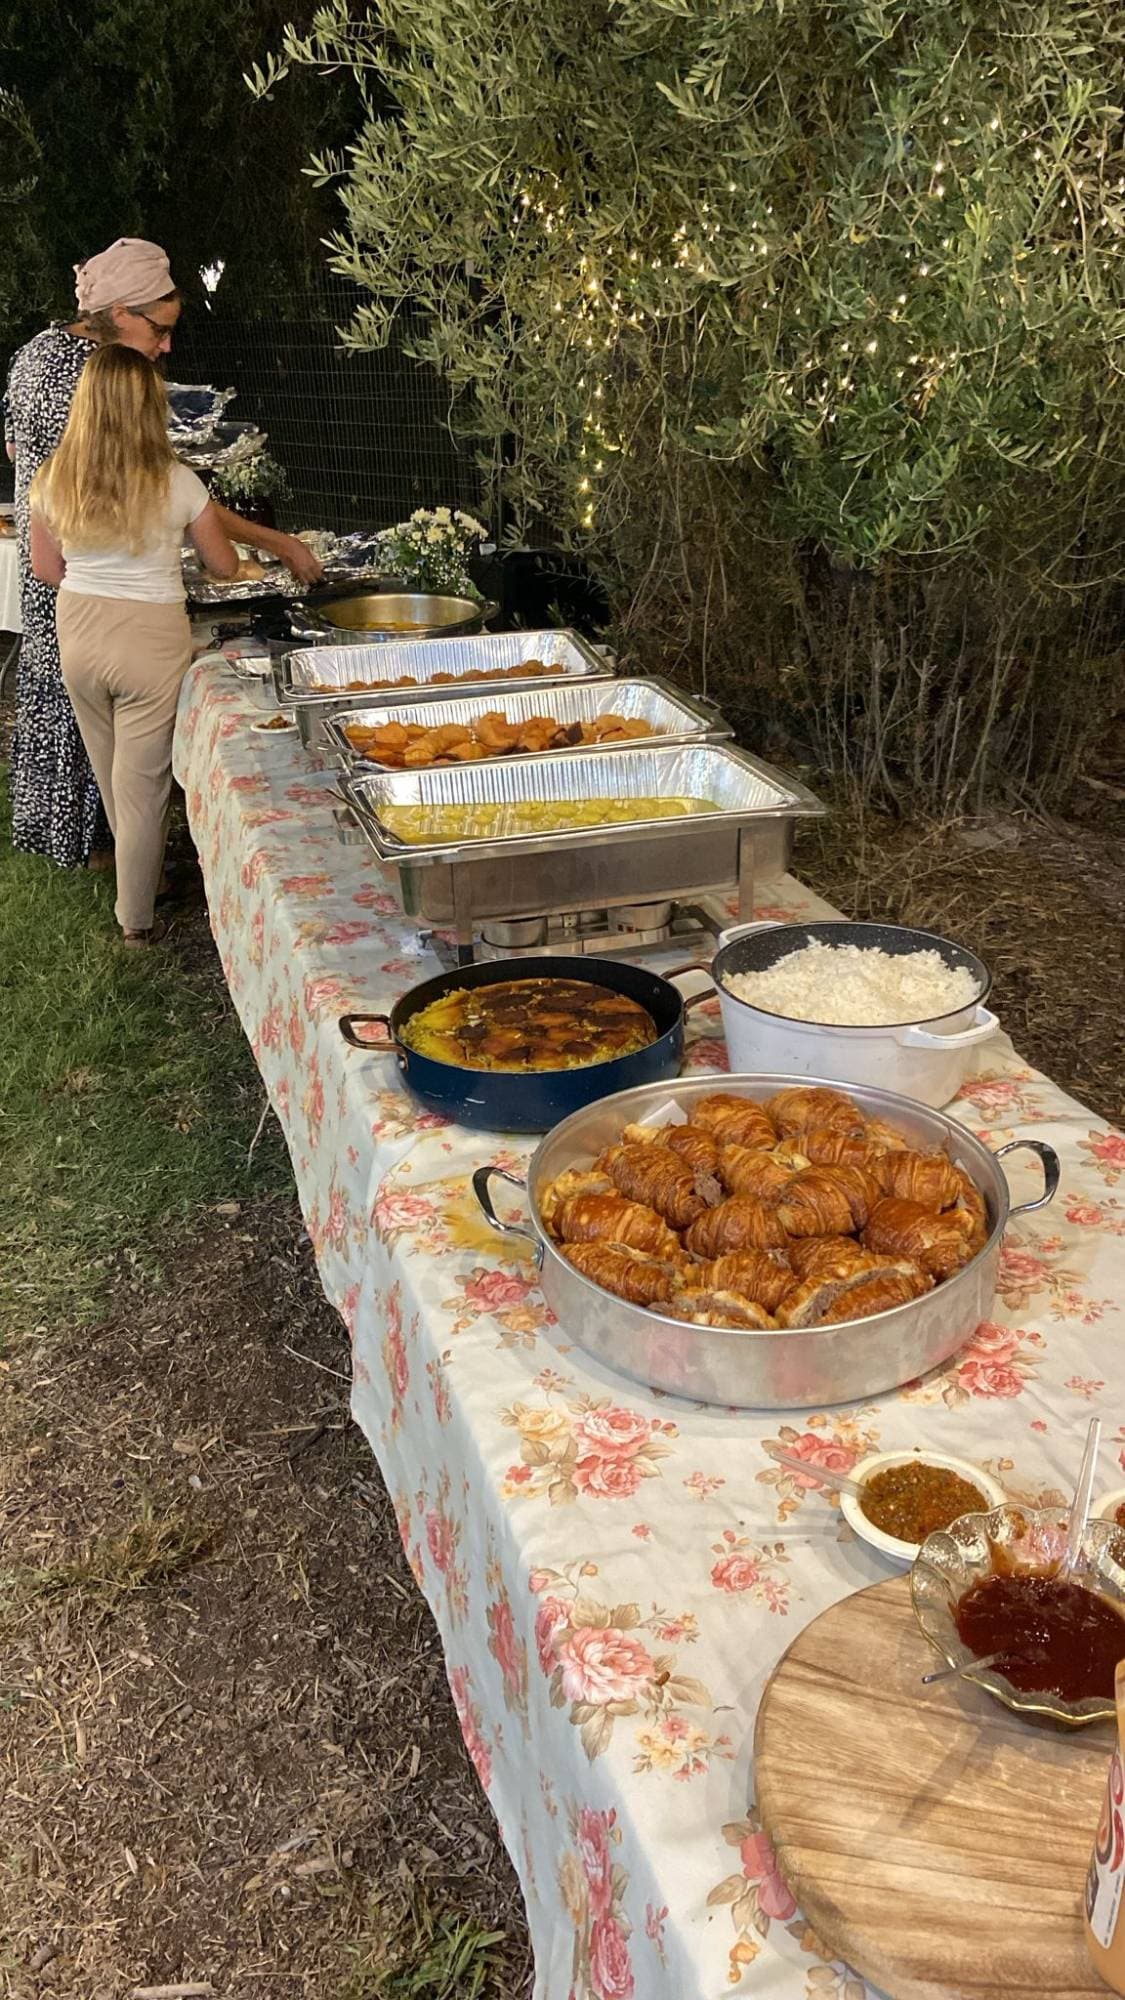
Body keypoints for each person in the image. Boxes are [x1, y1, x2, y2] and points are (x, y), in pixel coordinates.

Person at [3, 236, 321, 870]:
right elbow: (158, 485)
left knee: (73, 703)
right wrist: (276, 542)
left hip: (54, 564)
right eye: (160, 329)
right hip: (92, 581)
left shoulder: (35, 353)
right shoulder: (97, 376)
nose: (166, 345)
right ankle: (124, 856)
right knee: (122, 737)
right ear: (120, 313)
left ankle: (98, 846)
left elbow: (14, 449)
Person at [29, 345, 239, 945]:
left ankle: (141, 877)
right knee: (143, 785)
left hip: (79, 629)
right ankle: (135, 924)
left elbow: (46, 569)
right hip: (151, 636)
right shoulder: (177, 480)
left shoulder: (53, 478)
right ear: (150, 406)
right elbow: (224, 566)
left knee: (112, 773)